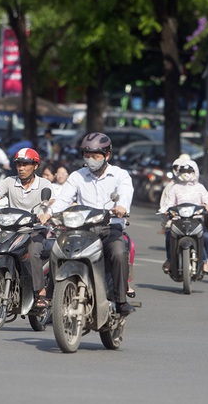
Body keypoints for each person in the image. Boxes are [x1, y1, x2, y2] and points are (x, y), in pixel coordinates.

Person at [40, 133, 136, 316]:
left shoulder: (120, 175)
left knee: (118, 252)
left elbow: (125, 192)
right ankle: (52, 295)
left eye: (96, 156)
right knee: (57, 249)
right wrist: (49, 213)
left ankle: (121, 300)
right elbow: (63, 199)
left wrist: (122, 206)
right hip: (82, 230)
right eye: (87, 155)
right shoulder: (77, 176)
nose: (91, 160)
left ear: (107, 155)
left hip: (109, 228)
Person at [0, 148, 53, 308]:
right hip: (11, 230)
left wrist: (46, 215)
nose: (21, 168)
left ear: (35, 166)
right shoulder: (9, 182)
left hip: (35, 230)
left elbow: (51, 202)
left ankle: (41, 293)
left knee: (33, 252)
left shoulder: (44, 184)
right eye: (19, 165)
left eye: (26, 164)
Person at [158, 158, 208, 275]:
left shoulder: (200, 187)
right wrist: (165, 210)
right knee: (169, 235)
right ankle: (170, 260)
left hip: (196, 220)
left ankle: (204, 260)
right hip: (178, 220)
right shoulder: (175, 188)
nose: (186, 174)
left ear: (194, 172)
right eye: (183, 172)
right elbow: (169, 203)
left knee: (206, 237)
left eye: (189, 172)